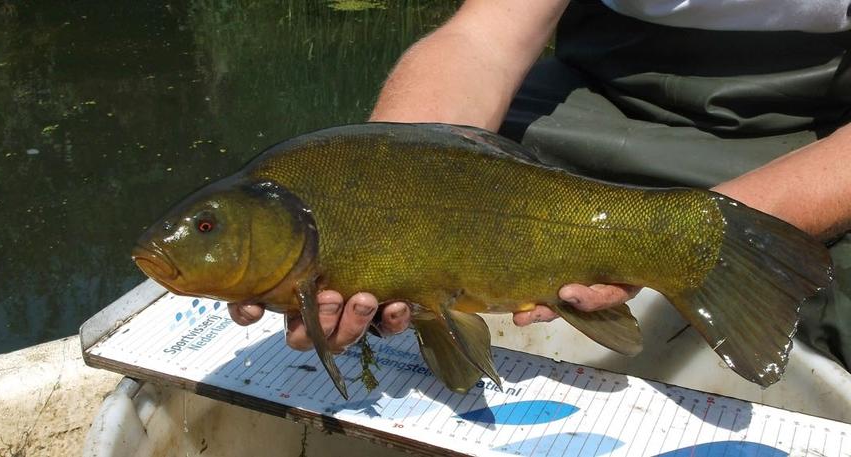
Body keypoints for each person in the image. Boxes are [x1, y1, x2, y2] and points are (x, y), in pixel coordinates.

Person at [229, 0, 851, 368]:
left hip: (818, 125)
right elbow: (484, 37)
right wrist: (379, 199)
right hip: (597, 93)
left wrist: (704, 238)